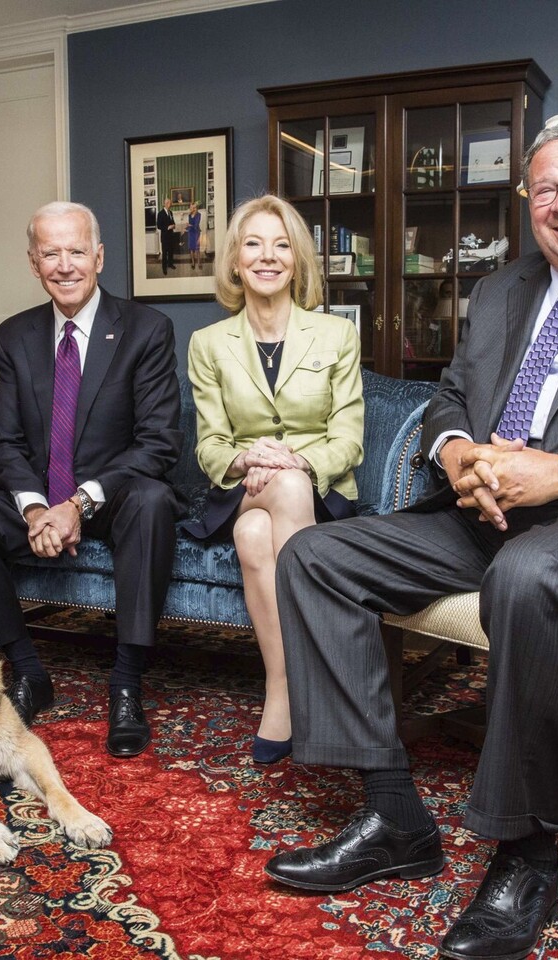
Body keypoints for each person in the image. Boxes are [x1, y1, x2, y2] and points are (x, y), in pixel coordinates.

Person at [263, 118, 558, 960]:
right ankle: (393, 814)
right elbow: (451, 396)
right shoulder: (499, 290)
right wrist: (457, 452)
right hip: (482, 511)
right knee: (314, 556)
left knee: (529, 575)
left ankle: (527, 854)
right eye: (545, 190)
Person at [0, 201, 182, 748]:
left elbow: (159, 443)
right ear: (33, 262)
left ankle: (126, 683)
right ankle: (27, 670)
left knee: (154, 501)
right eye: (51, 253)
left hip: (113, 499)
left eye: (76, 251)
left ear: (98, 258)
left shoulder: (146, 330)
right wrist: (35, 507)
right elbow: (3, 443)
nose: (64, 265)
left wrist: (78, 504)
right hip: (43, 503)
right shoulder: (15, 337)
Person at [184, 195, 364, 764]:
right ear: (235, 260)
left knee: (254, 537)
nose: (268, 257)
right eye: (254, 244)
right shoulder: (208, 344)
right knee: (273, 495)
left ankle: (282, 690)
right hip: (242, 489)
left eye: (282, 244)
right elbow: (211, 445)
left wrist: (302, 463)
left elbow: (349, 437)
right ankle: (323, 675)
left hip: (322, 493)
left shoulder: (337, 334)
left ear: (298, 259)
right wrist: (245, 461)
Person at [156, 197, 177, 275]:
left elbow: (172, 221)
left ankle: (170, 264)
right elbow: (158, 226)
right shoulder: (160, 213)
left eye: (170, 203)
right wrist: (168, 227)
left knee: (171, 252)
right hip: (165, 237)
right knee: (165, 253)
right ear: (165, 204)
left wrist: (174, 225)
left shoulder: (170, 212)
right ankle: (164, 268)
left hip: (171, 236)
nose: (170, 204)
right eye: (169, 203)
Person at [186, 202, 203, 270]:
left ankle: (199, 263)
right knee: (191, 249)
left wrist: (189, 225)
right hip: (190, 233)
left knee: (197, 249)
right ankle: (193, 263)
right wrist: (186, 227)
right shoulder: (189, 215)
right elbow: (189, 224)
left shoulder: (198, 215)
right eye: (191, 207)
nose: (192, 208)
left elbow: (196, 225)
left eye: (193, 207)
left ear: (195, 207)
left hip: (196, 233)